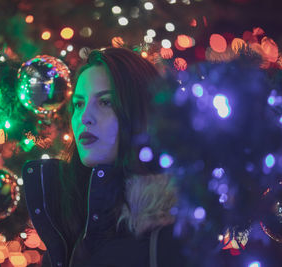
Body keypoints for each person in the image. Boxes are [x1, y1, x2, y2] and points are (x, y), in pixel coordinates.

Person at [23, 47, 182, 267]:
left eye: (105, 102)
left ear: (140, 110)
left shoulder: (173, 231)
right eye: (79, 104)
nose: (84, 117)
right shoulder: (65, 223)